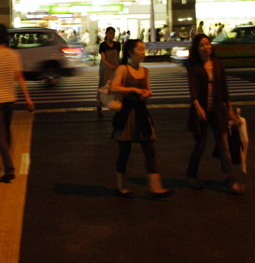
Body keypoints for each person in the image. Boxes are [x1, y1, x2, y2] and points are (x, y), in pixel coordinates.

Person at [109, 38, 172, 198]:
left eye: (144, 50)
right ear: (130, 52)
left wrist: (146, 94)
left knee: (150, 150)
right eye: (140, 50)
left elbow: (148, 90)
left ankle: (156, 187)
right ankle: (120, 186)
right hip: (126, 115)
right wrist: (134, 90)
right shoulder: (123, 69)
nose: (143, 53)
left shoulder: (145, 71)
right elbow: (113, 87)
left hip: (142, 114)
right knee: (125, 152)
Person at [185, 34, 243, 194]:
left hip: (217, 110)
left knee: (223, 145)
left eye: (208, 44)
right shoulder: (193, 65)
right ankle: (191, 175)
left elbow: (223, 87)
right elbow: (193, 89)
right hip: (201, 111)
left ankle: (230, 180)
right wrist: (198, 107)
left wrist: (229, 107)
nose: (206, 47)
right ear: (197, 48)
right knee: (200, 145)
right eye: (202, 45)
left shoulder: (217, 64)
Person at [0, 23, 34, 183]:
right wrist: (28, 98)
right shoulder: (13, 54)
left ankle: (9, 168)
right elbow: (19, 77)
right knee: (6, 132)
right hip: (10, 99)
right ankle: (6, 161)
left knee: (1, 135)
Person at [97, 27, 121, 116]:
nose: (112, 35)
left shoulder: (117, 44)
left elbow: (117, 56)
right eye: (110, 33)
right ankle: (99, 105)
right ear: (106, 34)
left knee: (116, 87)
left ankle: (117, 107)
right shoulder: (102, 45)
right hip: (106, 68)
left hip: (115, 67)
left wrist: (118, 66)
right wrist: (111, 66)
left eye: (113, 33)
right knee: (104, 87)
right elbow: (103, 59)